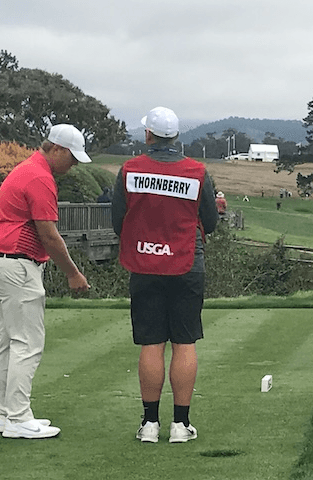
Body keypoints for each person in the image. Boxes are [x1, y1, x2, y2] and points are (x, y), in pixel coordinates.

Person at [112, 106, 218, 443]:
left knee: (151, 342)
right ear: (175, 137)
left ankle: (149, 425)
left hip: (144, 265)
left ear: (148, 135)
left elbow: (118, 222)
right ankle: (180, 426)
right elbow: (211, 222)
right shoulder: (197, 171)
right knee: (184, 343)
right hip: (187, 264)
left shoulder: (130, 170)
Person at [0, 124, 91, 439]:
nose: (74, 165)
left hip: (4, 261)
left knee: (7, 342)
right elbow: (49, 235)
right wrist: (72, 273)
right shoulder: (39, 177)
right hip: (20, 264)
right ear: (58, 149)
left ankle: (3, 414)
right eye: (73, 158)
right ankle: (17, 418)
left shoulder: (26, 170)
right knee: (27, 343)